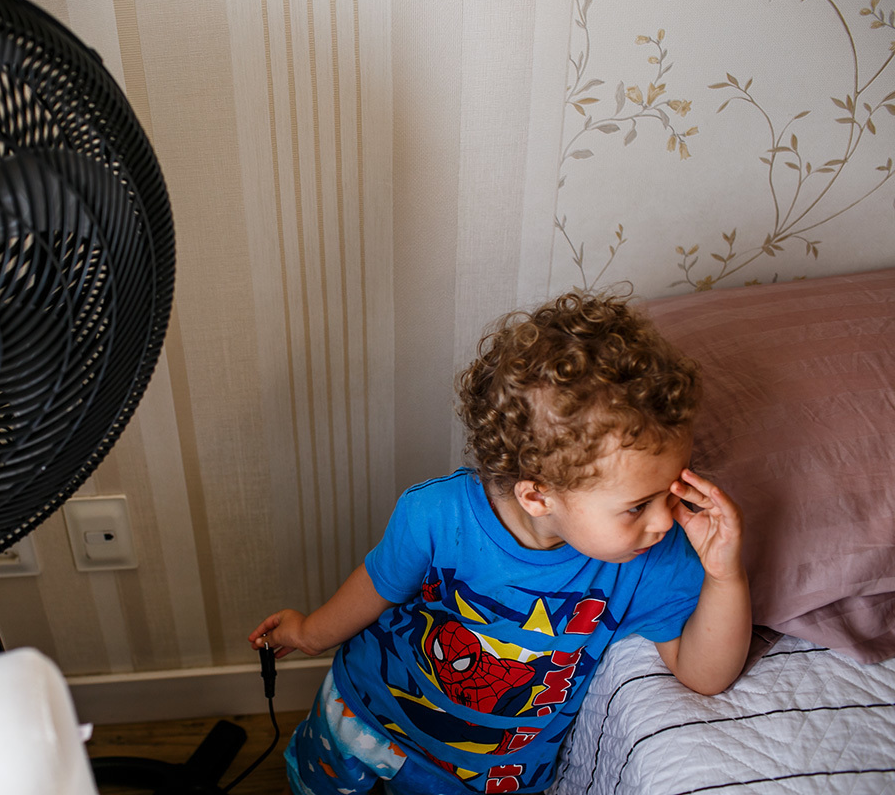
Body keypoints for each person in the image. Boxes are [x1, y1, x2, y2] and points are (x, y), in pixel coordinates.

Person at [249, 293, 751, 794]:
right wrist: (309, 634)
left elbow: (703, 675)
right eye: (639, 505)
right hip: (365, 719)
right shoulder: (435, 515)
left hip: (481, 779)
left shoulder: (648, 557)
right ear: (537, 495)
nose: (666, 520)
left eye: (673, 492)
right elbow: (376, 586)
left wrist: (725, 575)